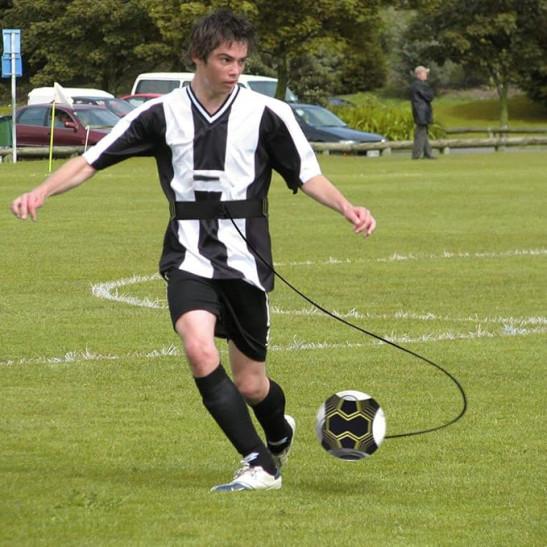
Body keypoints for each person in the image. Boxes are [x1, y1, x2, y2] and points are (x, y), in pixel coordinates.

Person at [10, 9, 376, 492]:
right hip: (187, 258)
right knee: (199, 349)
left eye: (241, 61)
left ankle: (277, 428)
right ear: (197, 57)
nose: (235, 70)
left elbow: (307, 175)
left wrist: (348, 207)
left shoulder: (268, 114)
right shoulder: (160, 113)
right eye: (225, 59)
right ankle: (259, 464)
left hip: (247, 261)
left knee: (251, 384)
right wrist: (41, 190)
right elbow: (91, 160)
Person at [410, 65, 435, 159]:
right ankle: (416, 155)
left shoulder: (415, 85)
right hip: (422, 112)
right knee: (420, 133)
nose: (426, 75)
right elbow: (430, 96)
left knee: (423, 133)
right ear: (419, 74)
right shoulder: (420, 85)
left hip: (420, 112)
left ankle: (427, 153)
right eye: (425, 73)